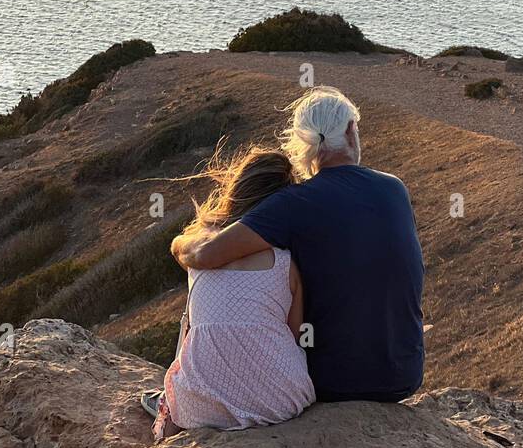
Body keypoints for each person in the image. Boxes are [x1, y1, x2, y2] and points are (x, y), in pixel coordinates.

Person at [169, 87, 425, 404]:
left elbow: (205, 255)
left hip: (331, 384)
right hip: (402, 378)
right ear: (351, 131)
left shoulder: (292, 203)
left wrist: (180, 243)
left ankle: (186, 391)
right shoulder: (394, 189)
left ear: (303, 143)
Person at [142, 146, 315, 439]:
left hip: (202, 409)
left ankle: (170, 406)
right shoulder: (286, 264)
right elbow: (296, 337)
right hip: (282, 401)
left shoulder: (201, 247)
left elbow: (178, 244)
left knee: (192, 319)